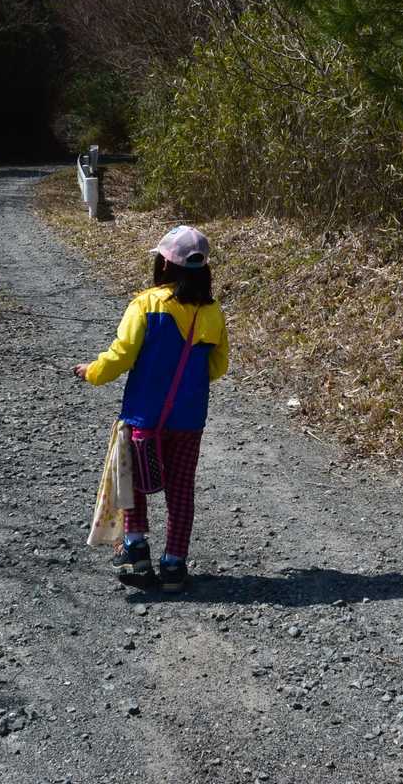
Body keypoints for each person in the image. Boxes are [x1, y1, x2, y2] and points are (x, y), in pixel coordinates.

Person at [74, 225, 229, 590]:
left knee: (134, 481)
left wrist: (92, 372)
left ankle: (136, 551)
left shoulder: (145, 304)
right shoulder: (212, 312)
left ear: (164, 264)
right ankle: (174, 565)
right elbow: (218, 367)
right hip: (189, 419)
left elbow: (121, 355)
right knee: (181, 490)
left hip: (143, 415)